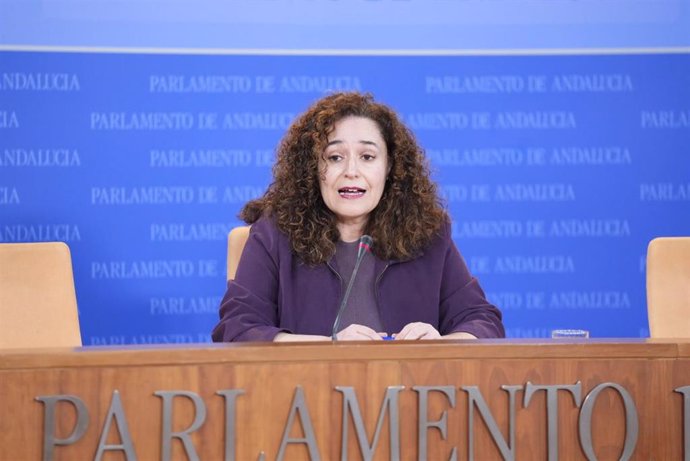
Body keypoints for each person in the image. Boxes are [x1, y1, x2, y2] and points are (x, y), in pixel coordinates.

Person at [212, 92, 504, 342]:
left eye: (367, 157)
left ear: (389, 168)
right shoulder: (275, 234)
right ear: (312, 168)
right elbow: (237, 329)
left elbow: (482, 321)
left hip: (404, 399)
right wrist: (329, 346)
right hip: (303, 400)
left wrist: (439, 343)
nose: (351, 171)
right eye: (335, 157)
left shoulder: (427, 235)